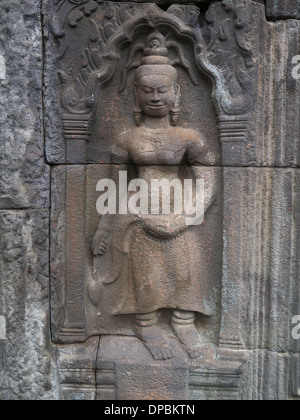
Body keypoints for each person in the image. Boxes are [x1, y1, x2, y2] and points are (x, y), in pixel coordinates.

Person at [92, 32, 217, 361]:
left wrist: (182, 218)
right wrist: (104, 229)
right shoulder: (128, 138)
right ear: (137, 95)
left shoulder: (188, 136)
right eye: (148, 91)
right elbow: (115, 187)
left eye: (162, 91)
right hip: (140, 219)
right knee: (146, 278)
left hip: (180, 218)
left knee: (185, 271)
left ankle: (184, 323)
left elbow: (207, 183)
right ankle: (146, 324)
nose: (156, 98)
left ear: (175, 94)